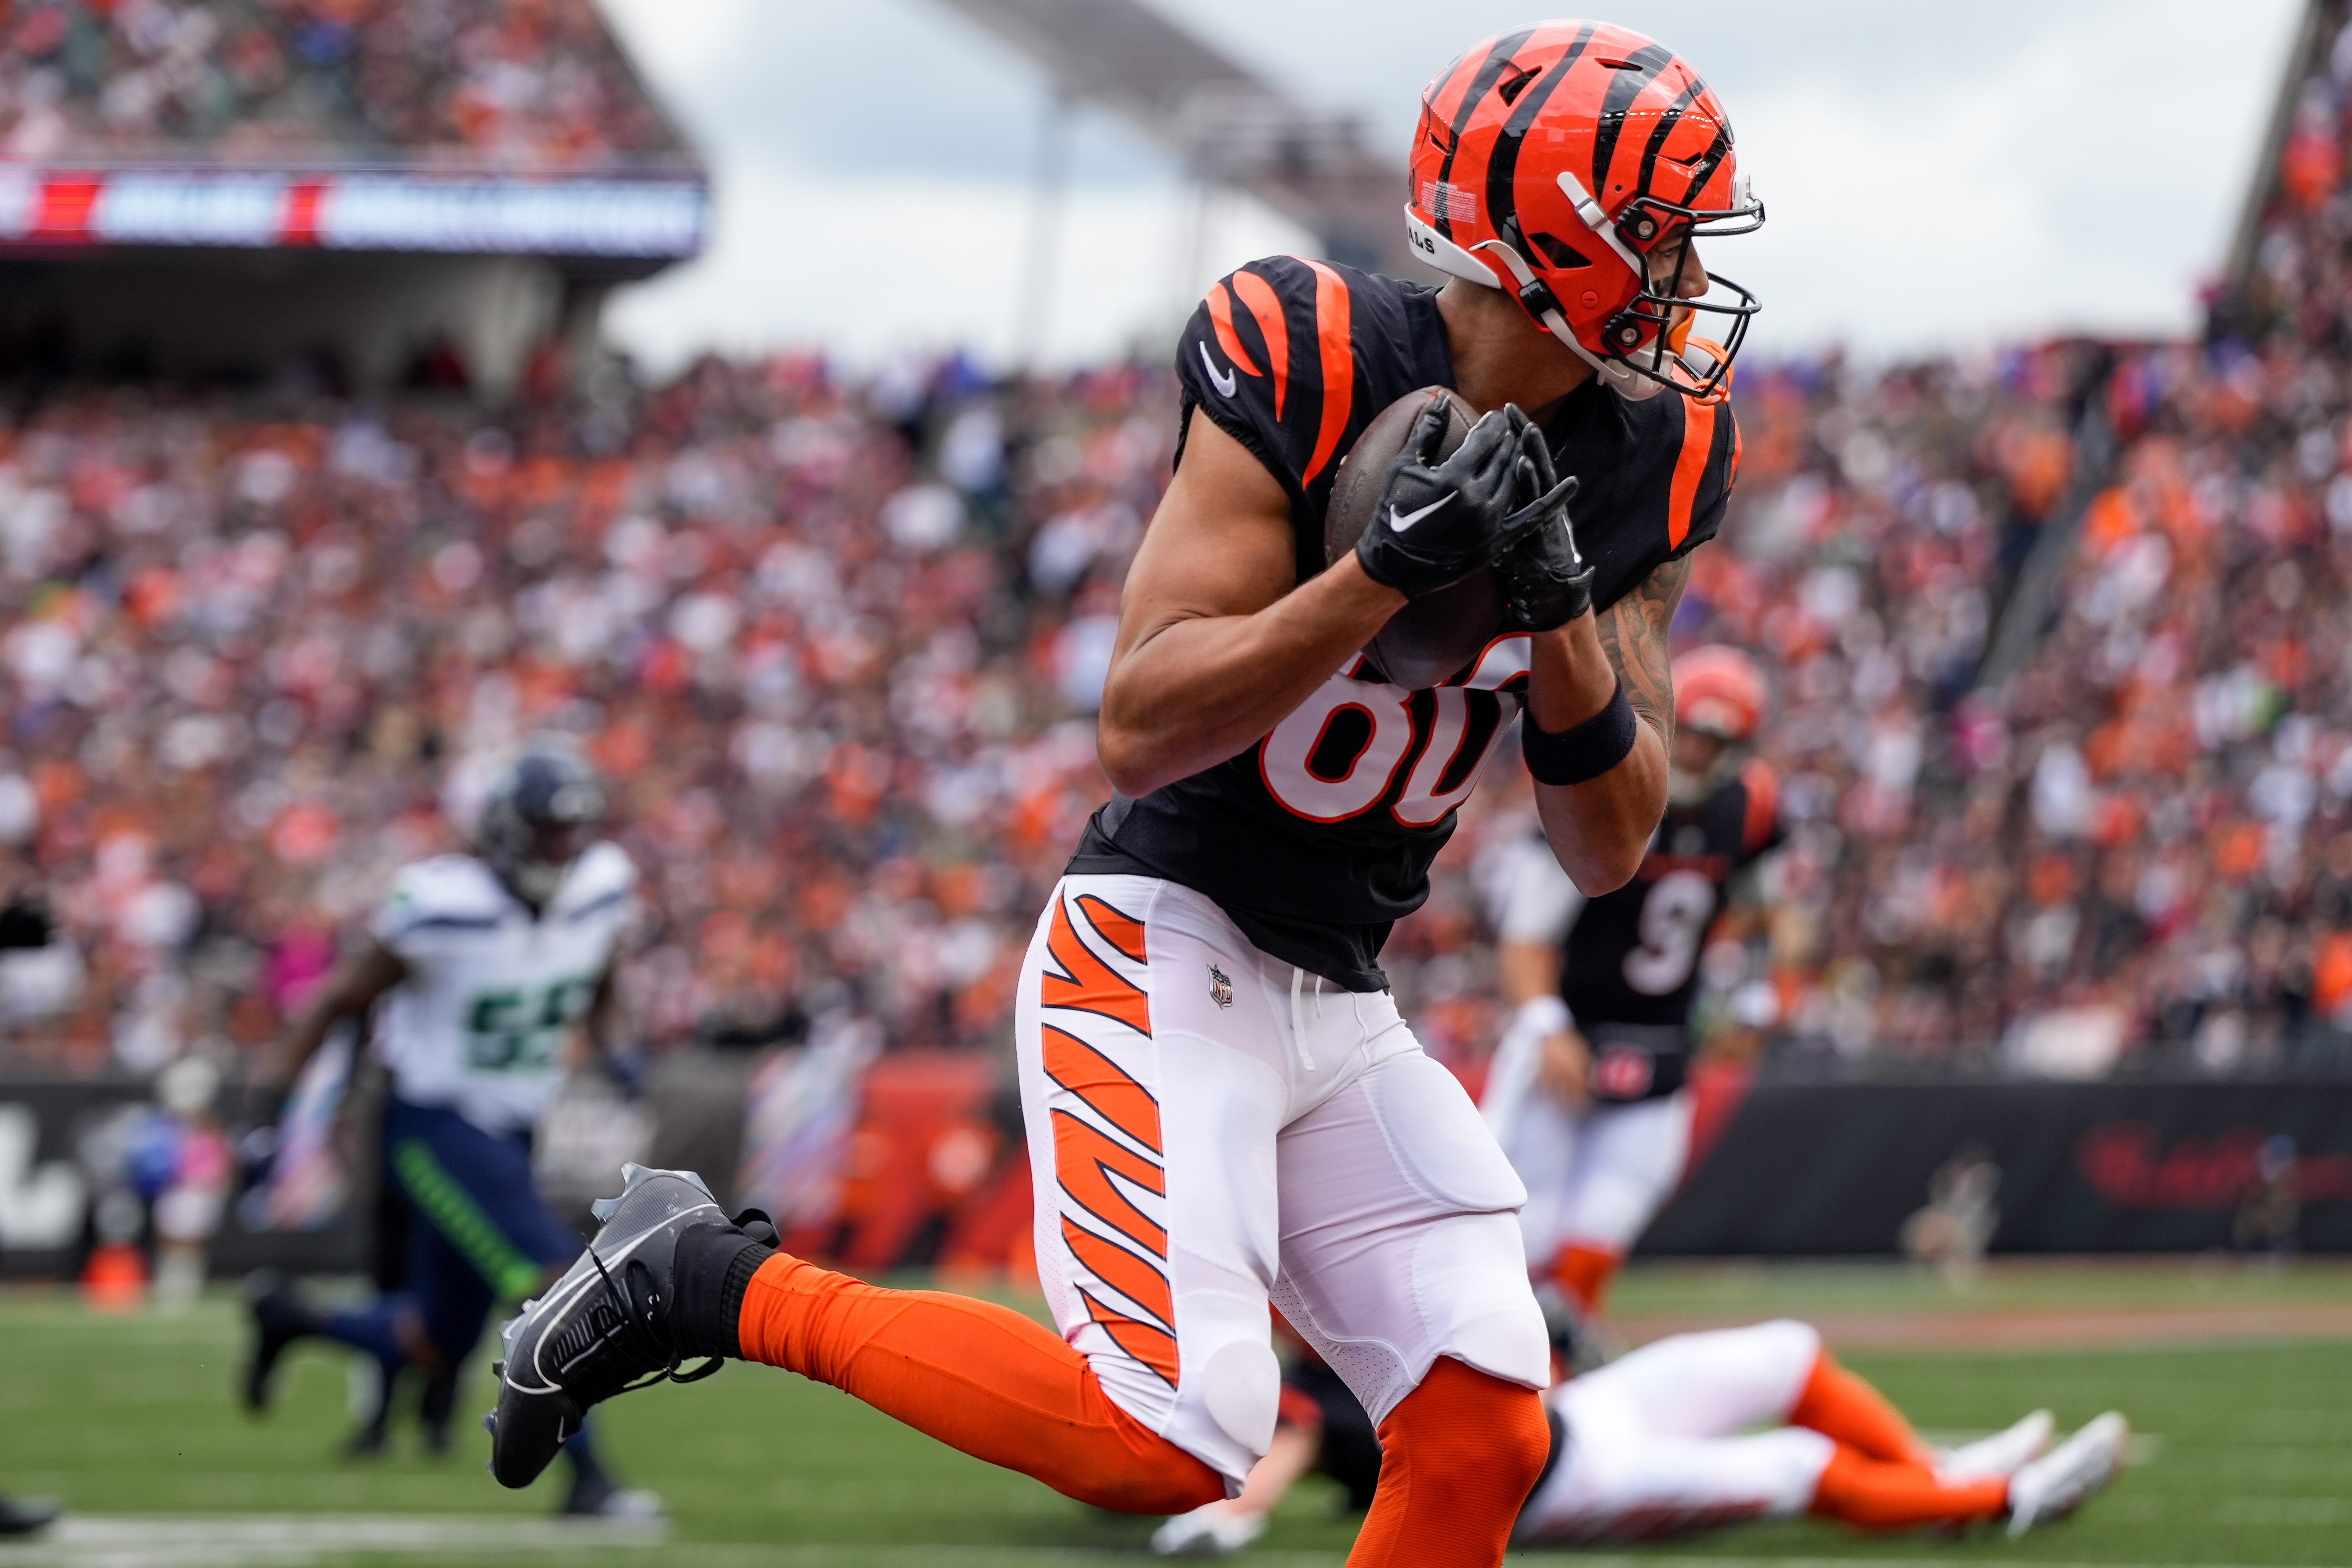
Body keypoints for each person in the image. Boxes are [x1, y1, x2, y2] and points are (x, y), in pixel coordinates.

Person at [483, 23, 1759, 1568]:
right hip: (1161, 938)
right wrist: (1378, 575)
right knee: (1161, 1437)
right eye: (1664, 233)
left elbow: (1611, 842)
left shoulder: (1654, 456)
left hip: (1340, 993)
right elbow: (1142, 723)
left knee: (1489, 1420)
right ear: (1560, 238)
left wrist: (1558, 611)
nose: (1692, 272)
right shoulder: (1315, 348)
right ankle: (706, 1280)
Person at [240, 737, 657, 1519]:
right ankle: (587, 1480)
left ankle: (291, 1317)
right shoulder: (443, 906)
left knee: (437, 1338)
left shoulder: (599, 890)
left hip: (511, 1129)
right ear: (506, 828)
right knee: (550, 1281)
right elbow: (339, 1001)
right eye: (545, 830)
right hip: (433, 1126)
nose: (561, 847)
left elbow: (599, 979)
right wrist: (272, 1111)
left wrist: (617, 1048)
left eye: (572, 831)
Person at [1151, 1320, 2127, 1554]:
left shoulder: (1374, 1307)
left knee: (1785, 1350)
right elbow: (1283, 1453)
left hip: (1582, 1414)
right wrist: (1222, 1520)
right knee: (1794, 1467)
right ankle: (2004, 1500)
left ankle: (1932, 1476)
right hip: (1558, 1485)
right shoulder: (1308, 1396)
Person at [1482, 645, 1778, 1341]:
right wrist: (1547, 1028)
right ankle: (1501, 1357)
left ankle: (1561, 1354)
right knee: (1524, 1226)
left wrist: (1754, 994)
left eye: (1720, 741)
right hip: (1571, 1031)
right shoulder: (1608, 789)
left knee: (1611, 1214)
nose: (1703, 754)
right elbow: (1525, 938)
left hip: (1660, 1038)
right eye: (1697, 734)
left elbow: (1769, 913)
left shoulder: (1751, 808)